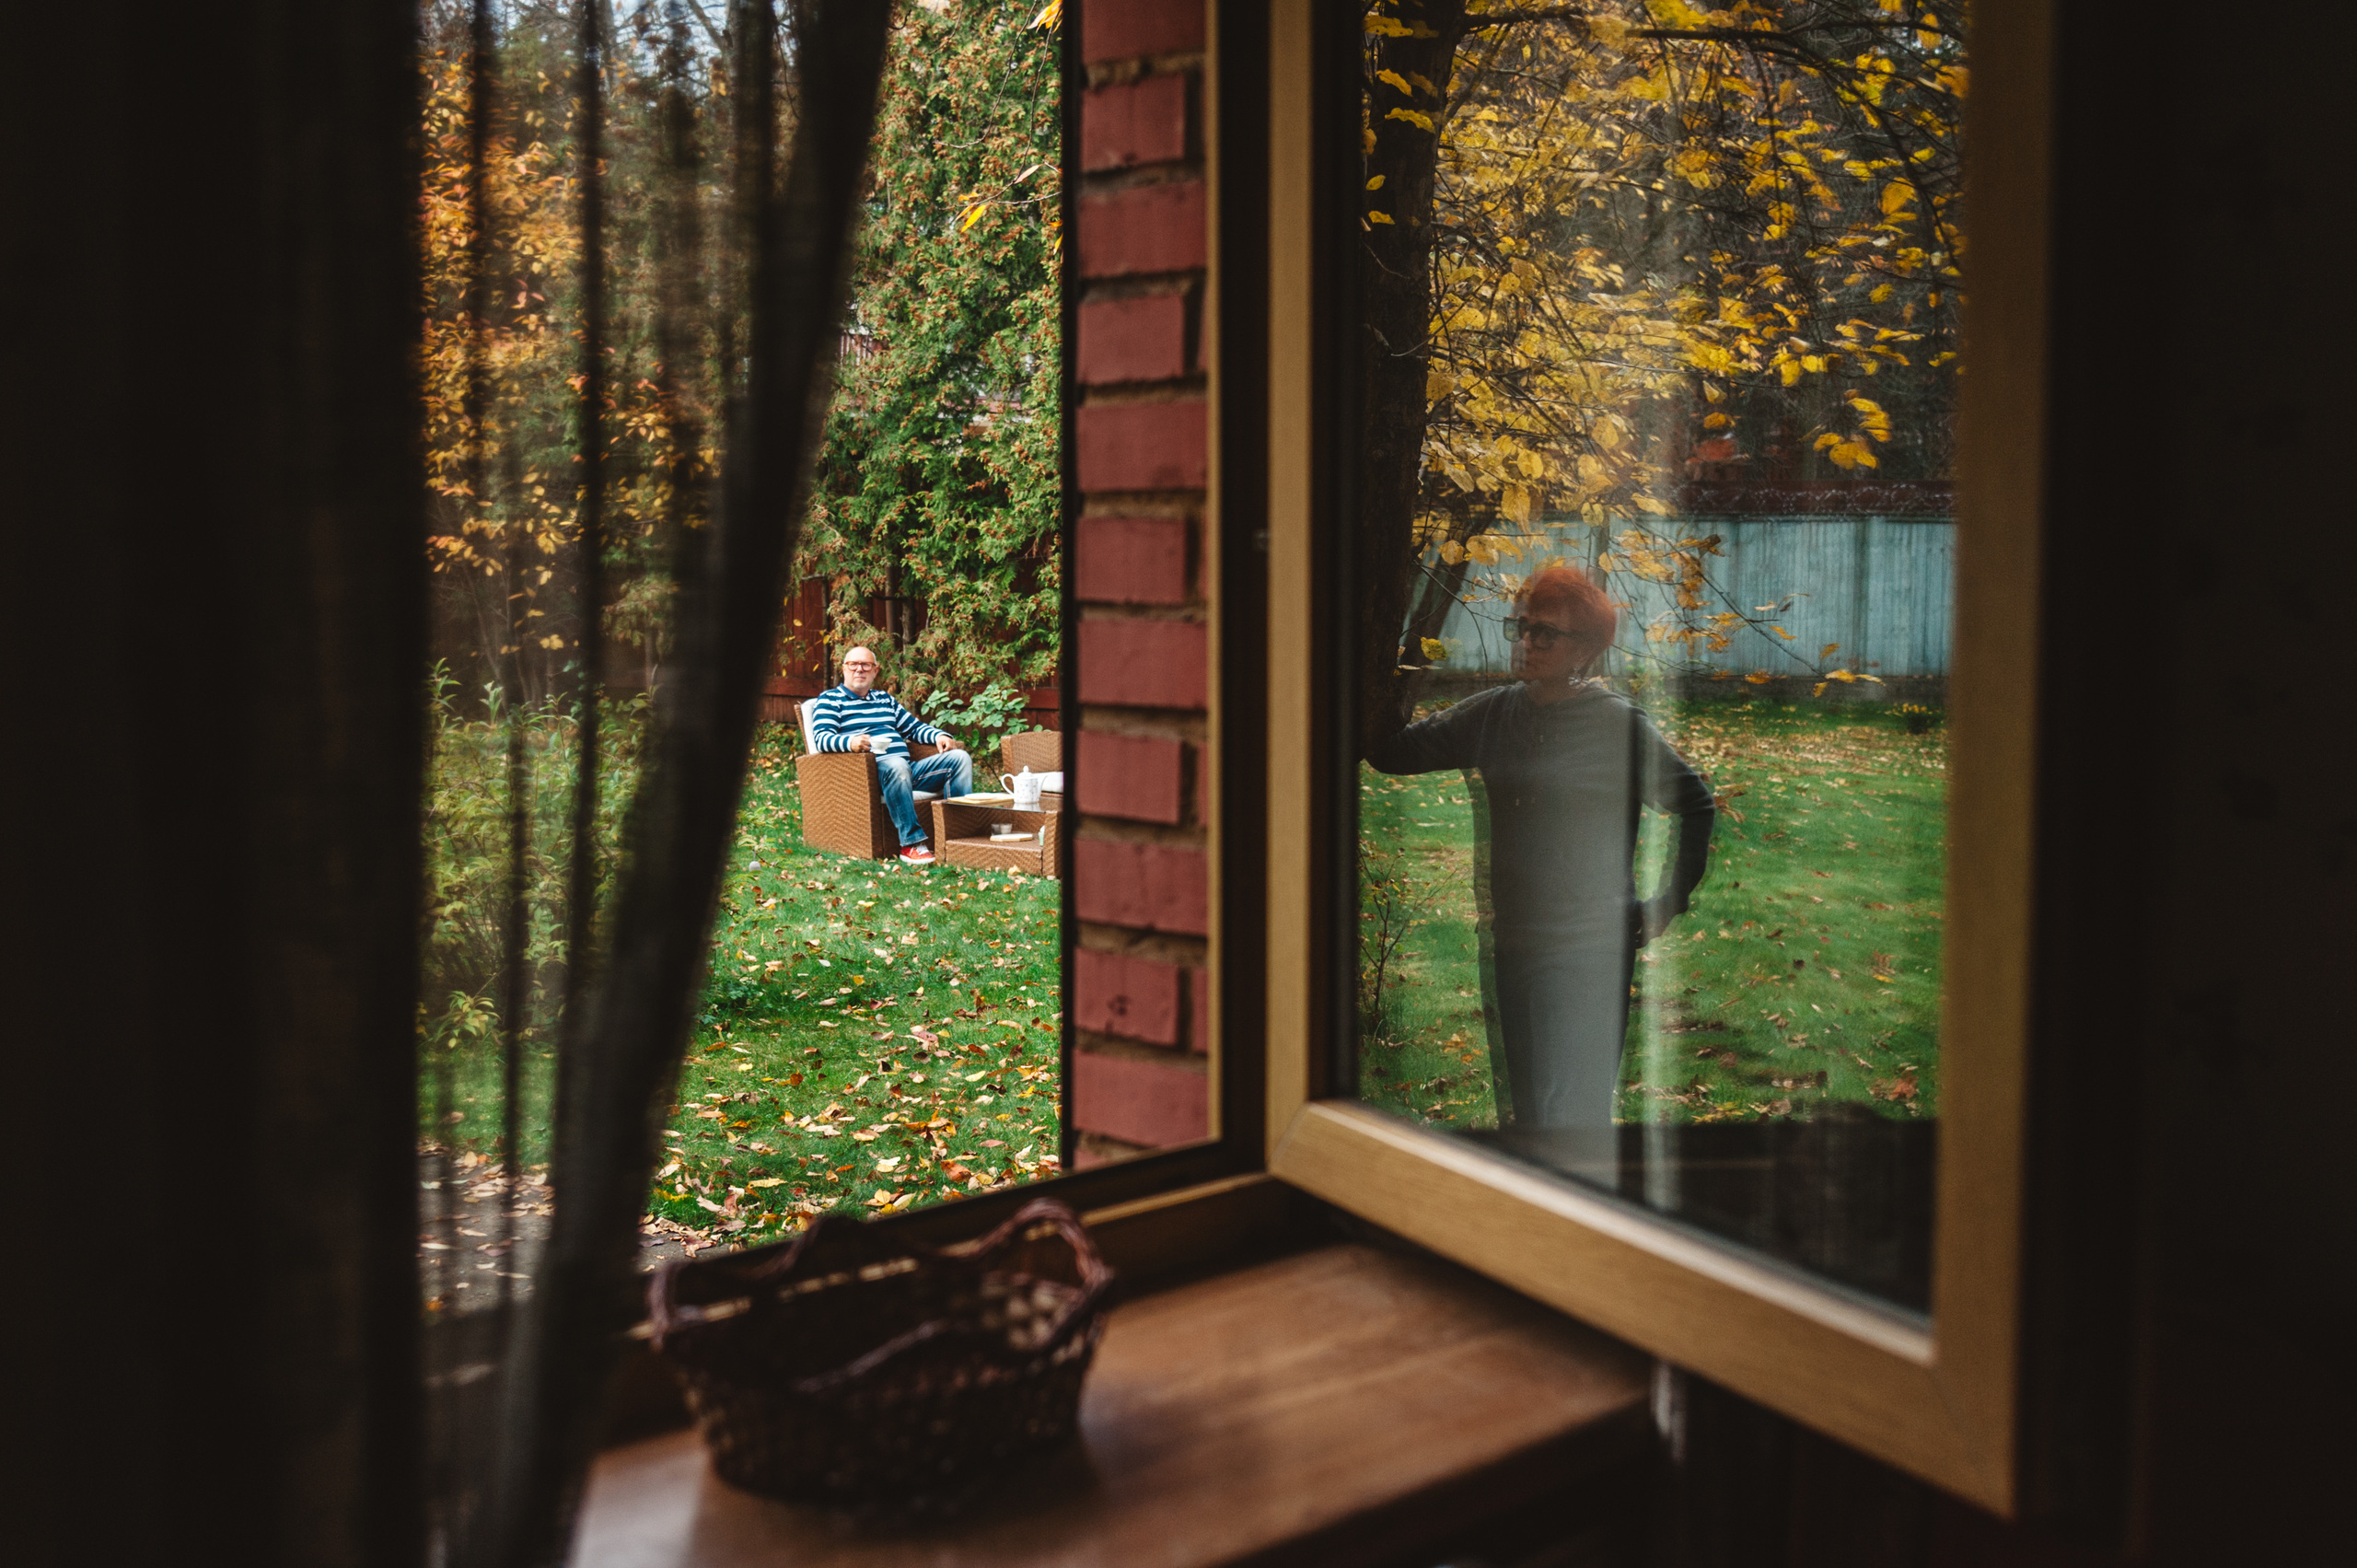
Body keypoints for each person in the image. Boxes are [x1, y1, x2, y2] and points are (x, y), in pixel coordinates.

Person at [1366, 564, 1714, 1132]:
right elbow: (1390, 753)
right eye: (1523, 627)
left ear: (1587, 650)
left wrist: (1666, 903)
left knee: (1572, 1112)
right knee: (1527, 1110)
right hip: (1516, 941)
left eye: (1545, 632)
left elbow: (1696, 805)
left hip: (1589, 947)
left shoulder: (1616, 727)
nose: (1527, 641)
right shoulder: (1494, 714)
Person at [808, 645, 973, 865]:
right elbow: (821, 738)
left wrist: (939, 736)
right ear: (844, 669)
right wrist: (851, 742)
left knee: (959, 758)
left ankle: (957, 837)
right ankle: (911, 844)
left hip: (905, 770)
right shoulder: (830, 700)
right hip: (865, 775)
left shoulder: (884, 700)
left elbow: (913, 728)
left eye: (866, 665)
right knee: (896, 765)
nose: (860, 670)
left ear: (875, 671)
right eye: (853, 665)